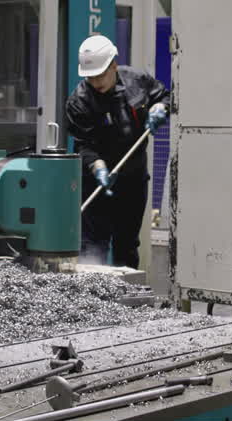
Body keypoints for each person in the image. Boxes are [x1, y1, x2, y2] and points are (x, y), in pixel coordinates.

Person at [64, 34, 169, 269]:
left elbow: (165, 95)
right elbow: (83, 144)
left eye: (100, 74)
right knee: (93, 244)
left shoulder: (137, 80)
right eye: (90, 77)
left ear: (113, 65)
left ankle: (127, 298)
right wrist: (97, 166)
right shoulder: (79, 102)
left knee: (127, 244)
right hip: (97, 182)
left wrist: (161, 107)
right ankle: (94, 299)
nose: (95, 82)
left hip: (133, 179)